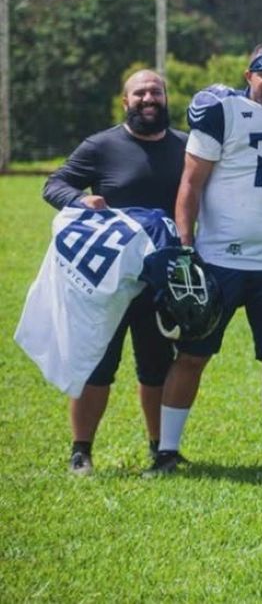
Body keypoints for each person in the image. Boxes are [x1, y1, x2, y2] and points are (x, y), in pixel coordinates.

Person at [149, 43, 262, 474]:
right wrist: (184, 247)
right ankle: (167, 452)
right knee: (192, 355)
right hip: (218, 259)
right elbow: (190, 186)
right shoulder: (223, 112)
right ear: (248, 75)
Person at [41, 69, 188, 474]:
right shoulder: (101, 146)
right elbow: (55, 184)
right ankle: (81, 450)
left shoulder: (186, 147)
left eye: (155, 91)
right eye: (139, 93)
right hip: (107, 281)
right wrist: (78, 200)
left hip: (160, 278)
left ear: (165, 98)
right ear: (126, 101)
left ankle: (161, 447)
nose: (148, 98)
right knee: (96, 364)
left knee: (157, 365)